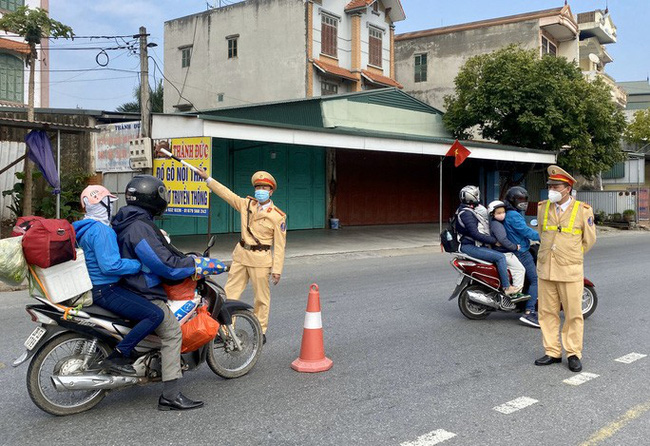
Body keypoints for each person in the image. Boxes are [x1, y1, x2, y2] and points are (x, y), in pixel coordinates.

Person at [112, 175, 224, 411]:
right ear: (152, 197)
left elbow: (162, 254)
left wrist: (186, 259)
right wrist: (195, 265)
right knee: (172, 332)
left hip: (127, 286)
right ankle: (170, 395)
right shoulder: (139, 228)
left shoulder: (126, 220)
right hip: (143, 289)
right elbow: (166, 266)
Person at [73, 185, 164, 376]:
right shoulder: (101, 231)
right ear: (102, 204)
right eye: (109, 202)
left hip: (93, 286)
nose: (112, 207)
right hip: (106, 288)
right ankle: (119, 355)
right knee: (155, 315)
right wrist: (137, 264)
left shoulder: (83, 226)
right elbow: (110, 266)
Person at [197, 169, 287, 344]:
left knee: (261, 298)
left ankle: (260, 331)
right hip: (240, 256)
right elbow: (227, 194)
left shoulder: (277, 216)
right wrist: (208, 179)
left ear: (271, 191)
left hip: (261, 259)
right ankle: (225, 330)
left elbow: (280, 245)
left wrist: (277, 269)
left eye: (264, 187)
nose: (260, 190)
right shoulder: (246, 204)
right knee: (229, 294)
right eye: (258, 186)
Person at [534, 166, 596, 372]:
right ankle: (552, 351)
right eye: (549, 185)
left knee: (573, 314)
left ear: (567, 189)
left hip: (569, 270)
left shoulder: (583, 210)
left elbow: (589, 240)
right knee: (546, 312)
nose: (551, 189)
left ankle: (573, 353)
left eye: (555, 186)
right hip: (546, 269)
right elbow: (542, 233)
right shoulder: (543, 207)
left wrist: (570, 255)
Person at [455, 186, 519, 295]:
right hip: (470, 246)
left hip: (473, 245)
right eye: (476, 195)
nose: (478, 197)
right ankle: (507, 287)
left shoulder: (469, 209)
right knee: (500, 257)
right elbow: (475, 234)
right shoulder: (466, 214)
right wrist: (494, 241)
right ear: (471, 197)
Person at [503, 186, 542, 328]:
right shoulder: (513, 215)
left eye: (525, 199)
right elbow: (526, 231)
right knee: (536, 280)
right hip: (521, 252)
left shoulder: (511, 212)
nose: (523, 202)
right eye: (520, 199)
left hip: (516, 249)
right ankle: (529, 311)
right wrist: (544, 237)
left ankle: (523, 303)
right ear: (512, 200)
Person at [487, 200, 528, 302]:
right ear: (492, 214)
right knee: (519, 270)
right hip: (504, 252)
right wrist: (514, 247)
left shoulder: (498, 223)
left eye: (503, 212)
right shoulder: (497, 224)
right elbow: (502, 240)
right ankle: (515, 294)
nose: (502, 215)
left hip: (502, 251)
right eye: (499, 213)